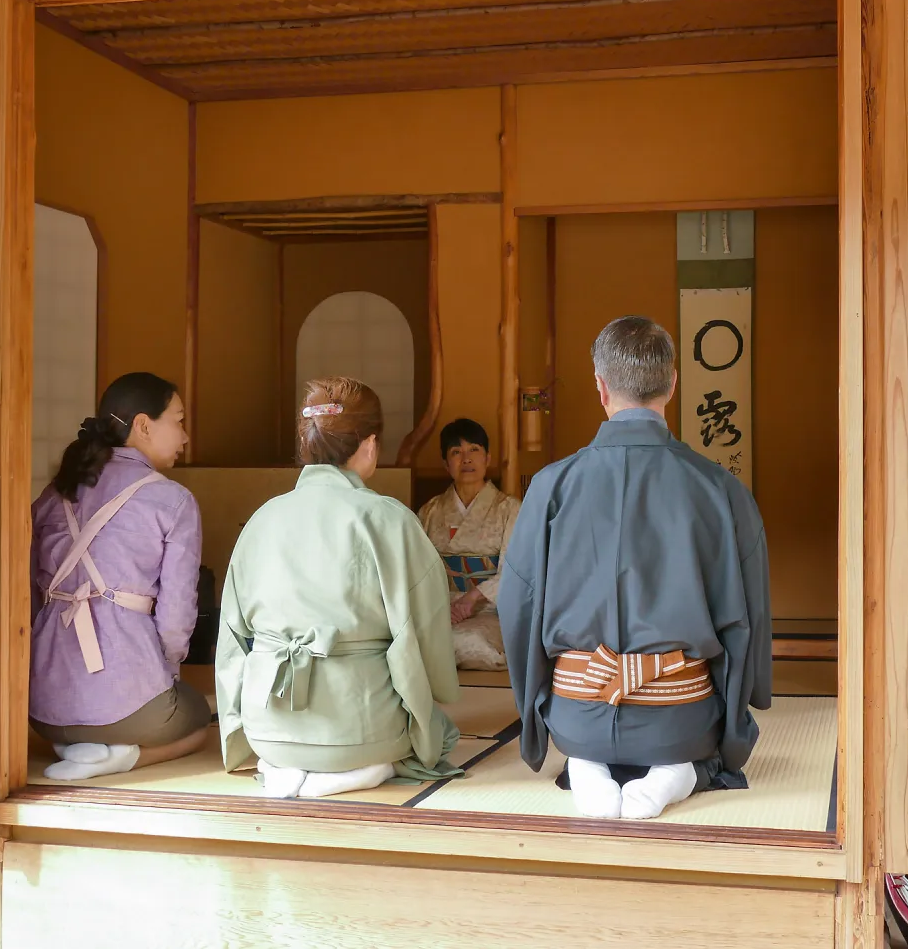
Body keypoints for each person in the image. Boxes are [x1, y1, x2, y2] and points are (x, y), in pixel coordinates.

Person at [497, 316, 772, 820]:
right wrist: (739, 713)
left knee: (580, 737)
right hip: (681, 714)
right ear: (672, 384)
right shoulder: (718, 488)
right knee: (701, 744)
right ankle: (679, 771)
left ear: (600, 386)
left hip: (577, 712)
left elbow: (516, 606)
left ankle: (585, 764)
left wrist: (536, 710)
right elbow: (747, 616)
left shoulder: (551, 485)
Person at [215, 378, 462, 799]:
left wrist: (239, 722)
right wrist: (439, 695)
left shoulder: (262, 518)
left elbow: (232, 642)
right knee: (443, 735)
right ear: (370, 444)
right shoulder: (389, 518)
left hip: (268, 729)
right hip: (360, 727)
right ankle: (355, 771)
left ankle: (289, 767)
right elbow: (428, 631)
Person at [29, 372, 211, 780]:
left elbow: (27, 597)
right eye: (179, 421)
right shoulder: (172, 500)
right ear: (144, 425)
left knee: (93, 713)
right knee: (199, 719)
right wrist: (168, 674)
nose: (184, 437)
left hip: (41, 712)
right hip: (134, 709)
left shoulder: (51, 496)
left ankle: (76, 744)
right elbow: (177, 615)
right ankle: (124, 757)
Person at [416, 418, 521, 627]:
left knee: (473, 644)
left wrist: (472, 598)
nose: (466, 459)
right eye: (456, 452)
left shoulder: (510, 510)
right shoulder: (430, 511)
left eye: (474, 450)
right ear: (446, 464)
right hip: (439, 608)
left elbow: (517, 570)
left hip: (489, 611)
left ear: (487, 458)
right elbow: (416, 570)